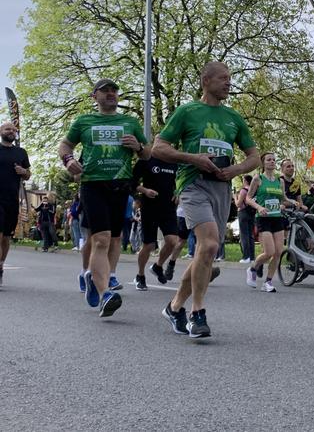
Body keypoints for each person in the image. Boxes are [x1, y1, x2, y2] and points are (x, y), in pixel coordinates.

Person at [153, 61, 259, 338]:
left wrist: (234, 170)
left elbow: (254, 157)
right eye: (223, 78)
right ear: (205, 81)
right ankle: (197, 314)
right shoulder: (187, 112)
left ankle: (175, 307)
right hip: (193, 184)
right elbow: (159, 148)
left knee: (205, 252)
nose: (228, 83)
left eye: (230, 78)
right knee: (209, 244)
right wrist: (193, 159)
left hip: (221, 188)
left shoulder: (234, 118)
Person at [59, 78, 150, 318]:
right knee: (101, 239)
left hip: (121, 186)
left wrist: (138, 148)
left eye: (114, 91)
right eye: (105, 91)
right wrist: (68, 161)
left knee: (116, 239)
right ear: (94, 96)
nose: (111, 94)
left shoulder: (130, 122)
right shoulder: (83, 121)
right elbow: (65, 145)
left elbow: (148, 153)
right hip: (93, 184)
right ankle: (105, 293)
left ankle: (97, 276)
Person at [245, 152, 296, 292]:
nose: (272, 162)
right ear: (263, 163)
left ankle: (268, 282)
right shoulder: (258, 179)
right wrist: (259, 207)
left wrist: (292, 202)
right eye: (269, 160)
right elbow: (248, 198)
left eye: (274, 160)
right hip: (263, 219)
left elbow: (283, 199)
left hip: (277, 218)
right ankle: (252, 269)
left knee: (279, 252)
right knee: (269, 252)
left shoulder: (279, 181)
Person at [131, 155, 183, 291]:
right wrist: (145, 191)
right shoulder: (146, 159)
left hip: (169, 208)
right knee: (149, 245)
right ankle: (140, 275)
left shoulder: (174, 159)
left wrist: (178, 192)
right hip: (149, 207)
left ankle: (157, 266)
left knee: (173, 241)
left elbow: (181, 180)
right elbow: (132, 181)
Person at [0, 122, 31, 287]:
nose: (11, 131)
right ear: (0, 132)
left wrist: (23, 172)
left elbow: (28, 174)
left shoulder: (21, 152)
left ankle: (1, 265)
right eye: (7, 129)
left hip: (12, 199)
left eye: (13, 129)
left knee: (6, 237)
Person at [236, 175, 256, 264]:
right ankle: (252, 257)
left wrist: (234, 197)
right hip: (252, 213)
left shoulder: (243, 190)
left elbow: (238, 204)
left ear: (245, 181)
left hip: (243, 212)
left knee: (244, 235)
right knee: (251, 235)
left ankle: (246, 257)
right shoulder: (254, 190)